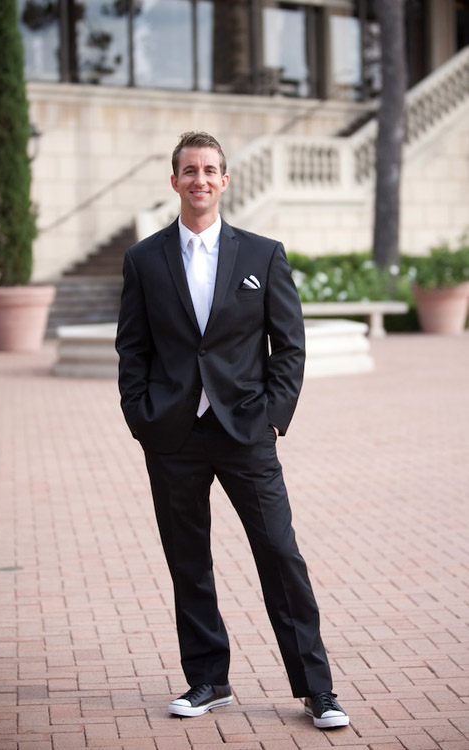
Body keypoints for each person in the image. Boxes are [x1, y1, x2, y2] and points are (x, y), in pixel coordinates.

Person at [116, 131, 349, 731]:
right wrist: (142, 418)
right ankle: (207, 679)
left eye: (210, 170)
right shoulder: (144, 259)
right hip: (172, 437)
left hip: (246, 432)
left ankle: (317, 689)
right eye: (188, 170)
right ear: (175, 181)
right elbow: (132, 349)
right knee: (188, 560)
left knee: (280, 554)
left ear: (224, 181)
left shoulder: (262, 254)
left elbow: (289, 346)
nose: (199, 180)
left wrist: (271, 415)